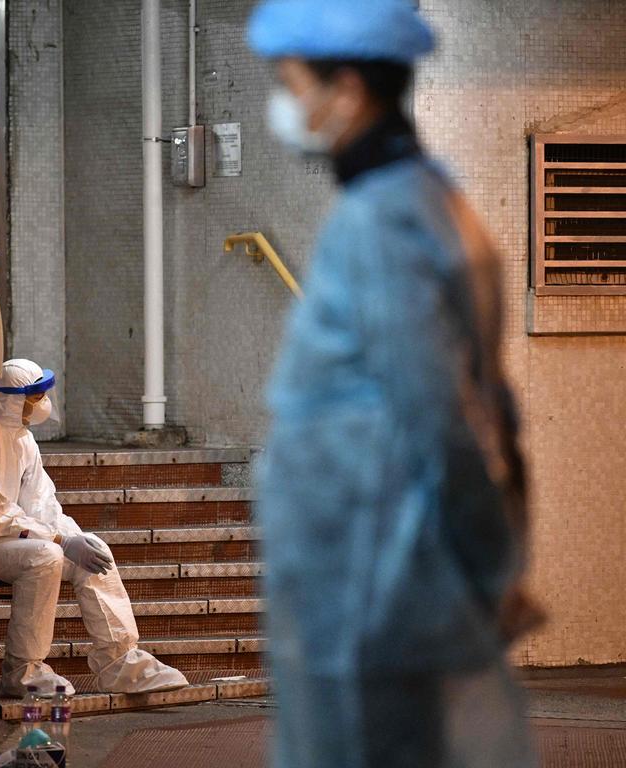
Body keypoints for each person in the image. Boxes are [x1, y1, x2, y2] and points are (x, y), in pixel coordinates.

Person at [248, 2, 544, 766]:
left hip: (369, 591)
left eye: (292, 84)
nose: (286, 107)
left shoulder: (378, 224)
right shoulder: (435, 205)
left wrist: (488, 568)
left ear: (345, 89)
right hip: (380, 583)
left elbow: (441, 414)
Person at [0, 359, 188, 697]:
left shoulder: (23, 440)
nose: (43, 404)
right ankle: (22, 671)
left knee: (93, 548)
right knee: (47, 557)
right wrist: (60, 540)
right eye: (35, 397)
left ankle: (121, 663)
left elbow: (42, 502)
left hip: (24, 539)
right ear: (10, 399)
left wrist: (74, 536)